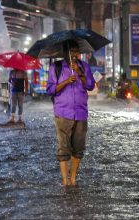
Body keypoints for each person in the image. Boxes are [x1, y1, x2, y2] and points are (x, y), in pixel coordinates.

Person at [46, 46, 95, 187]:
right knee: (63, 147)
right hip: (62, 112)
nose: (74, 54)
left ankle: (73, 179)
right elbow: (50, 90)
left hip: (81, 112)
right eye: (71, 51)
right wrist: (66, 81)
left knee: (78, 148)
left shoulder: (83, 66)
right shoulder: (56, 67)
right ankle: (65, 181)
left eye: (76, 51)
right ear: (65, 52)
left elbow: (91, 86)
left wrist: (81, 74)